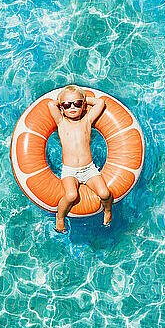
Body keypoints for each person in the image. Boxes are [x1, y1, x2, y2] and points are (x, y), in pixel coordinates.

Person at [48, 85, 113, 233]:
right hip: (70, 171)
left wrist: (83, 98)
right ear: (62, 108)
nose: (72, 107)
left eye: (77, 104)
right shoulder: (61, 122)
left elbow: (100, 103)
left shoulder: (87, 120)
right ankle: (59, 217)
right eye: (67, 105)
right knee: (71, 195)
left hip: (89, 169)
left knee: (105, 194)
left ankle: (108, 210)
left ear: (83, 106)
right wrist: (63, 100)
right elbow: (51, 104)